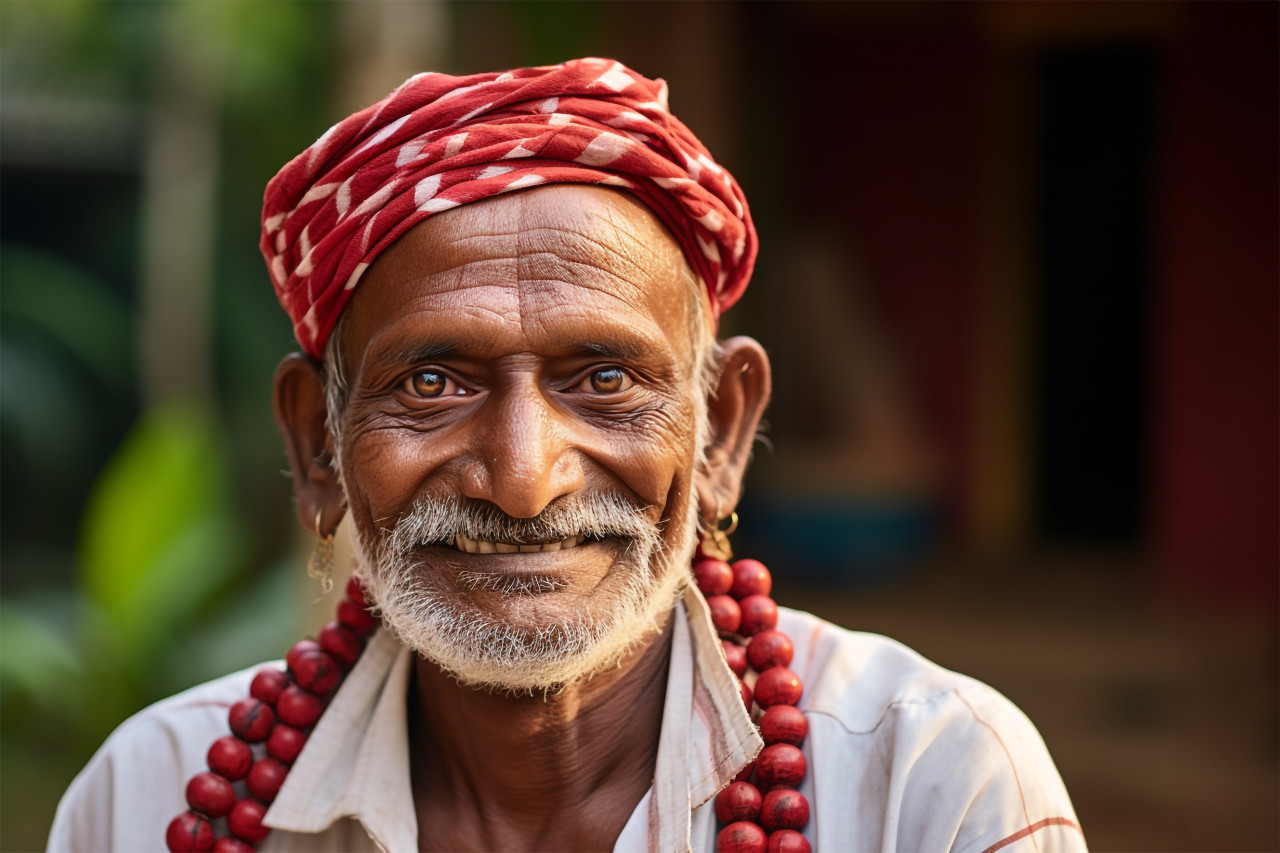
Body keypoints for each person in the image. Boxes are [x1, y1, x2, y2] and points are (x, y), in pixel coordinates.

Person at [47, 58, 1085, 853]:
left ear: (720, 430)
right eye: (431, 383)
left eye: (602, 381)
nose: (522, 478)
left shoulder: (929, 788)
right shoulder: (148, 799)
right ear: (316, 444)